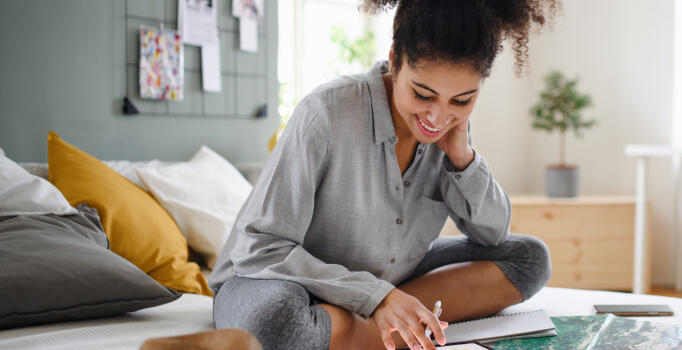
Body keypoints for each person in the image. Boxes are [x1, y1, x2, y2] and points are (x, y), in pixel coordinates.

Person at [210, 1, 561, 349]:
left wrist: (462, 159)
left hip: (391, 272)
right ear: (395, 60)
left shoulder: (450, 131)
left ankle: (356, 328)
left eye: (461, 101)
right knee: (279, 325)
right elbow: (260, 248)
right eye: (423, 95)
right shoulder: (326, 113)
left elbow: (494, 235)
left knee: (530, 257)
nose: (437, 119)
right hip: (279, 279)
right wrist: (376, 296)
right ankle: (386, 328)